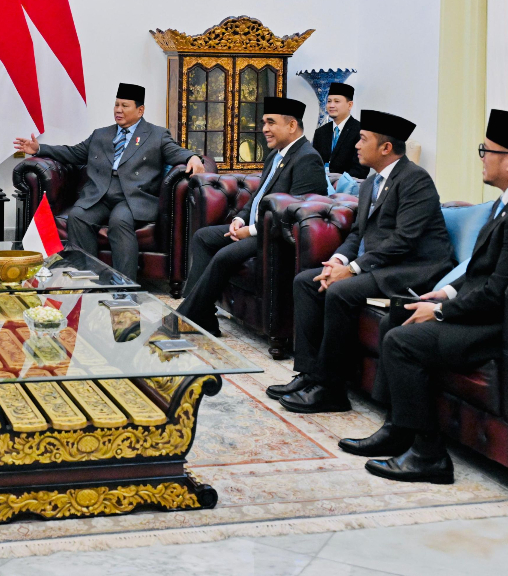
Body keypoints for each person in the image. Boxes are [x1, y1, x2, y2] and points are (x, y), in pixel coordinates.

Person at [340, 109, 508, 485]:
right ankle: (398, 429)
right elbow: (485, 268)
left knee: (403, 342)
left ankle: (429, 456)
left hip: (501, 328)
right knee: (397, 316)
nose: (481, 158)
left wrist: (440, 312)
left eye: (486, 151)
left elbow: (498, 293)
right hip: (488, 311)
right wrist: (447, 291)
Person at [270, 110, 453, 414]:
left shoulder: (415, 180)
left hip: (412, 269)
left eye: (363, 139)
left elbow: (404, 240)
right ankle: (309, 373)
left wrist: (353, 269)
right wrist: (337, 261)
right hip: (381, 265)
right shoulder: (370, 183)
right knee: (306, 281)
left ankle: (332, 390)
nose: (356, 145)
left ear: (386, 147)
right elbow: (358, 233)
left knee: (341, 291)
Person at [13, 83, 204, 280]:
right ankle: (89, 278)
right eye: (116, 105)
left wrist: (193, 157)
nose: (118, 110)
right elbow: (73, 153)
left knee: (119, 221)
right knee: (78, 216)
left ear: (140, 110)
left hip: (132, 197)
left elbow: (176, 152)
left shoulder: (156, 135)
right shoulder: (101, 134)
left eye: (124, 106)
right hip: (100, 195)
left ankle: (124, 285)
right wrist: (39, 149)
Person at [176, 96, 327, 332]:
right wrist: (240, 219)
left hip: (275, 237)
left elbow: (296, 214)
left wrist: (252, 231)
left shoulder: (307, 158)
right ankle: (202, 315)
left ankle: (186, 317)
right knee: (203, 237)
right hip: (257, 229)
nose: (264, 128)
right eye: (264, 122)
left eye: (271, 122)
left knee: (224, 256)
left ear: (291, 125)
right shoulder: (275, 155)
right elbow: (258, 197)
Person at [312, 82, 368, 178]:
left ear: (350, 105)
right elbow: (314, 163)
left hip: (349, 184)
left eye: (337, 101)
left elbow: (361, 169)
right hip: (322, 184)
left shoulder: (360, 130)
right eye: (329, 101)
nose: (331, 105)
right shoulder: (321, 132)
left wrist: (339, 182)